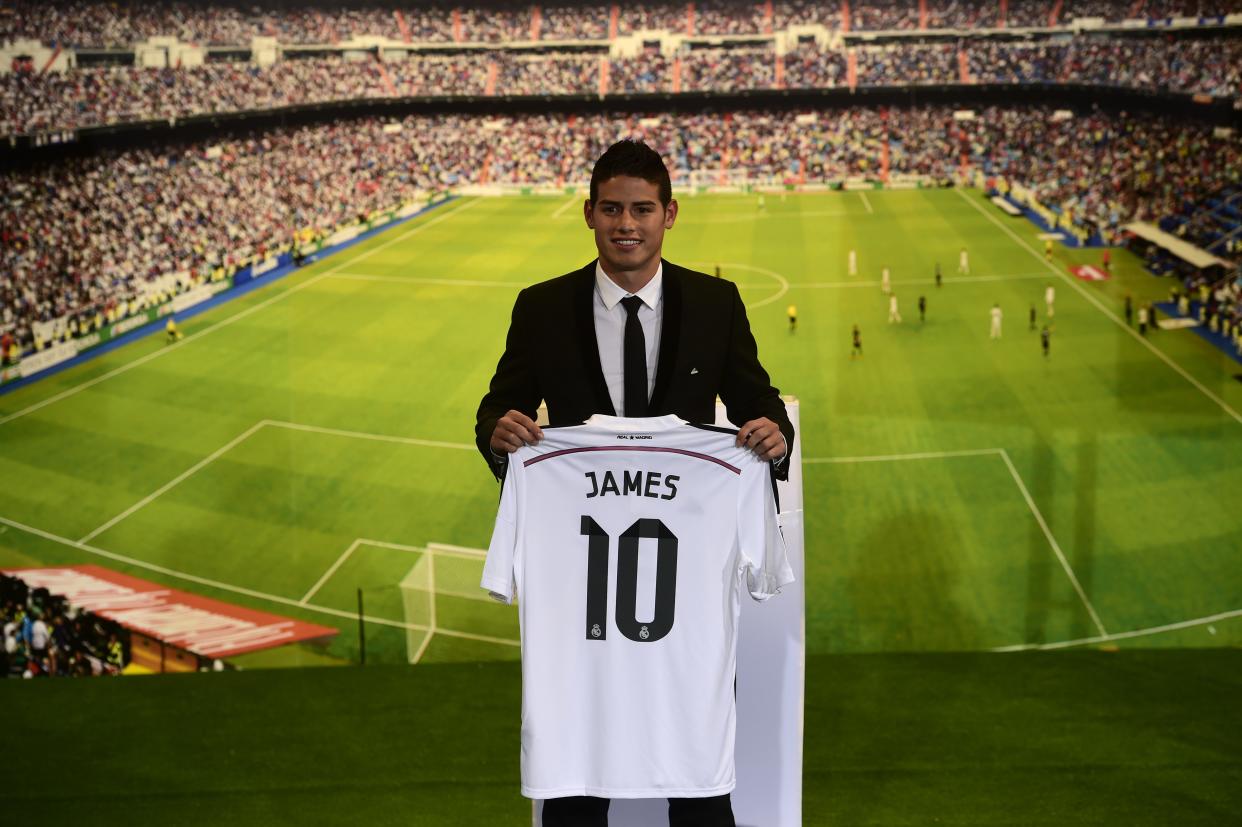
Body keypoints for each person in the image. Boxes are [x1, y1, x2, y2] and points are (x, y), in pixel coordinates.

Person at [475, 139, 793, 827]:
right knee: (575, 782)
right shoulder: (542, 307)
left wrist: (773, 433)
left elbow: (755, 398)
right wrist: (500, 433)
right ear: (588, 213)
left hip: (688, 589)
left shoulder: (715, 302)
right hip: (581, 587)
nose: (627, 223)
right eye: (612, 208)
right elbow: (498, 406)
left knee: (700, 780)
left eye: (642, 209)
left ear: (669, 214)